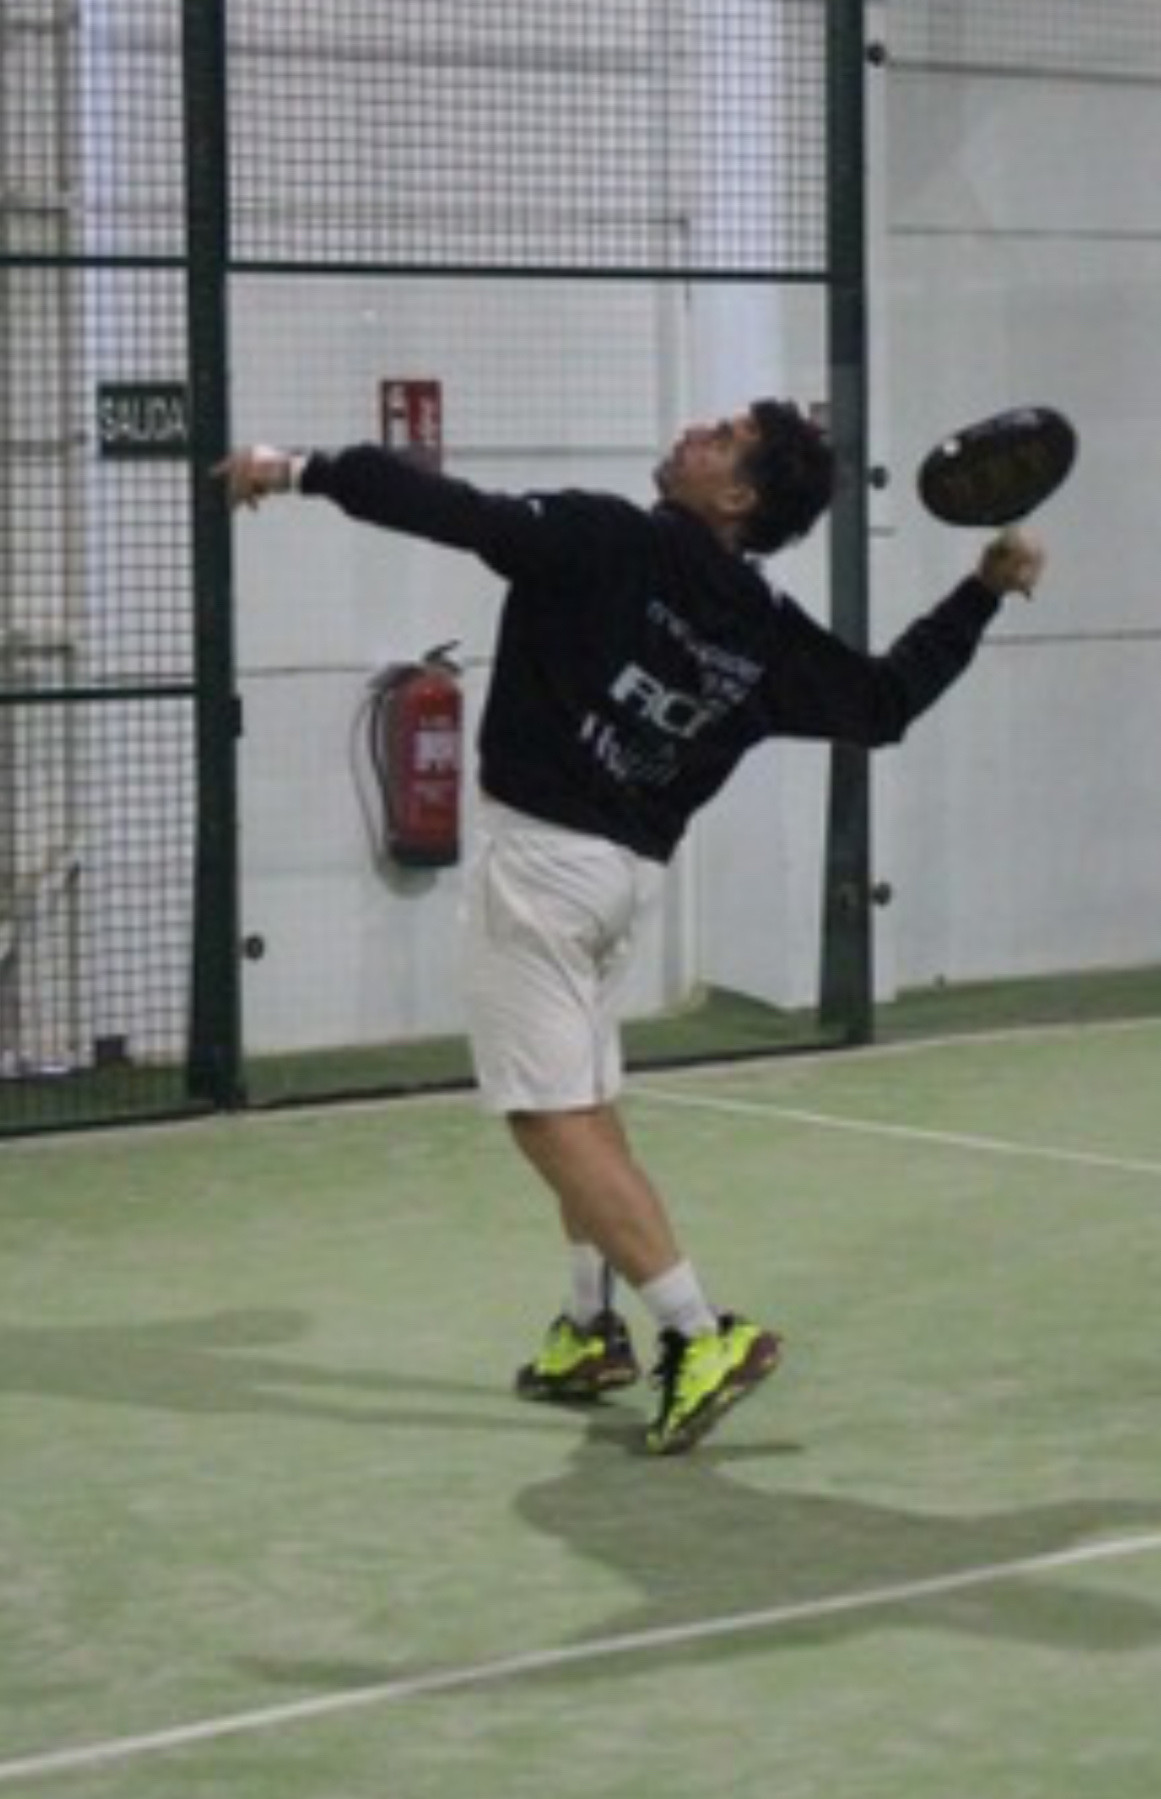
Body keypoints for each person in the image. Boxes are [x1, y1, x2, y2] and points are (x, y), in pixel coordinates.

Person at [216, 403, 1044, 1455]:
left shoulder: (605, 537)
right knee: (585, 1101)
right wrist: (981, 592)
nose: (697, 431)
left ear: (736, 495)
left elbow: (447, 510)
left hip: (538, 871)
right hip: (620, 882)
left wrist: (296, 468)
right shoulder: (759, 624)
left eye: (723, 438)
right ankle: (588, 1328)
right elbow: (882, 703)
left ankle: (699, 1333)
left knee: (544, 1115)